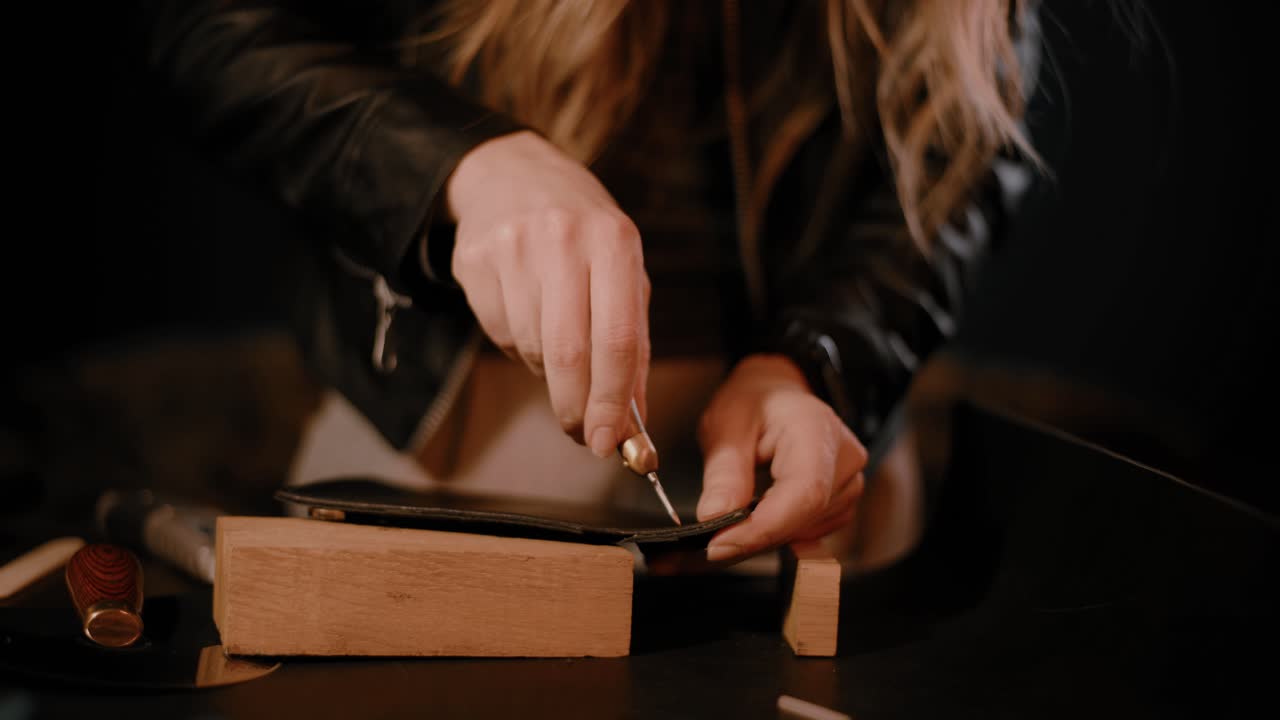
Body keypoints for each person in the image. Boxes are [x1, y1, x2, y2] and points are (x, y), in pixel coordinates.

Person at [131, 0, 1041, 565]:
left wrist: (817, 363)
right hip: (450, 479)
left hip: (811, 473)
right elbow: (203, 24)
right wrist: (457, 165)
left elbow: (958, 156)